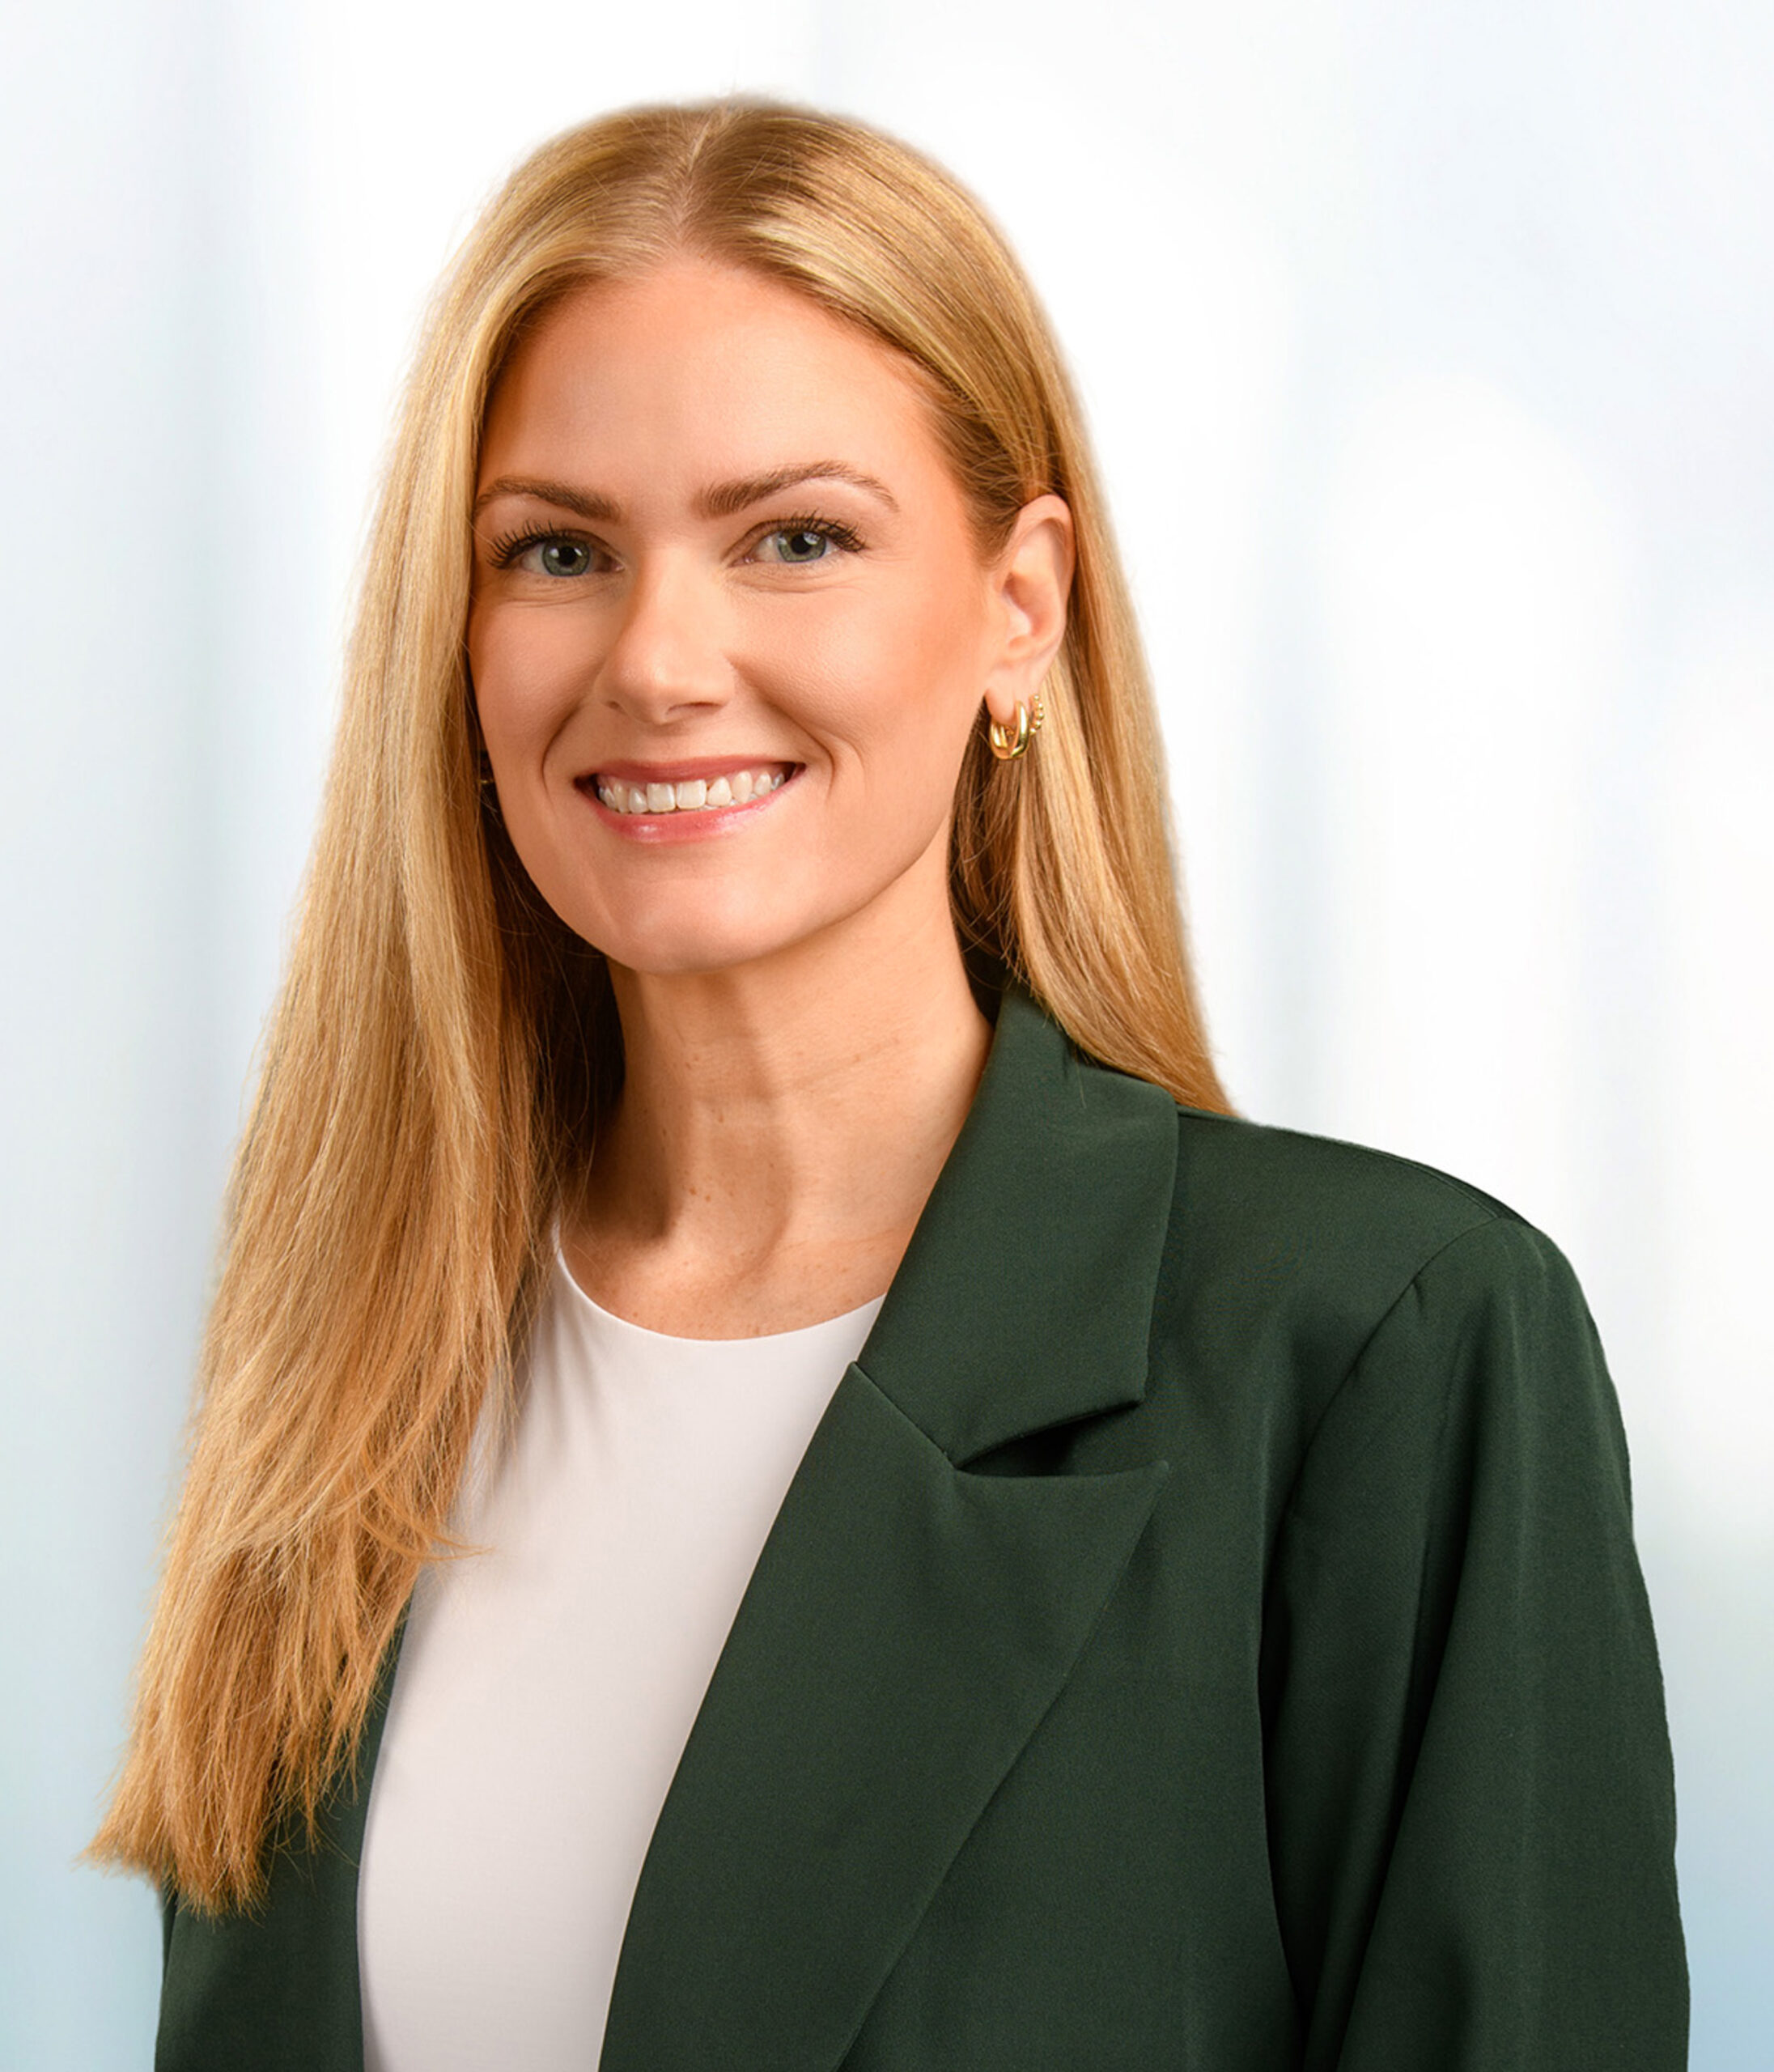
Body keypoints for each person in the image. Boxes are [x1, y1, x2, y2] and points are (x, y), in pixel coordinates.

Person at [87, 99, 1688, 2071]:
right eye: (559, 549)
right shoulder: (353, 1379)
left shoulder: (1377, 1350)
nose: (659, 659)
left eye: (794, 539)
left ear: (1017, 608)